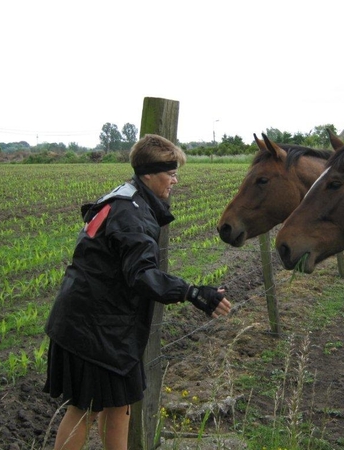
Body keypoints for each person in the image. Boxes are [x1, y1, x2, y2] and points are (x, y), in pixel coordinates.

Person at [43, 134, 231, 450]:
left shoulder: (126, 198)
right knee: (85, 409)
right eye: (170, 173)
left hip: (102, 323)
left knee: (120, 403)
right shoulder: (132, 212)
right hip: (93, 328)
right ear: (148, 174)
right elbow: (142, 275)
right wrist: (193, 292)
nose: (175, 180)